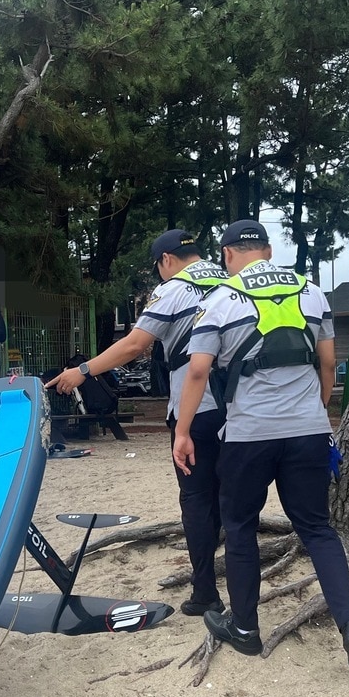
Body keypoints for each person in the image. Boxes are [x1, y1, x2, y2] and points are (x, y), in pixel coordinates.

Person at [173, 220, 349, 668]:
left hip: (248, 436)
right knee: (318, 529)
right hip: (307, 432)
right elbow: (328, 364)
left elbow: (197, 371)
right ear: (267, 250)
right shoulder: (312, 291)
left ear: (228, 255)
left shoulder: (221, 300)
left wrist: (183, 432)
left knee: (241, 526)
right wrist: (315, 413)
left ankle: (245, 628)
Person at [48, 229, 229, 615]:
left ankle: (205, 593)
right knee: (233, 497)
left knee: (197, 499)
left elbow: (135, 344)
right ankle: (244, 594)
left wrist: (83, 369)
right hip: (242, 407)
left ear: (165, 260)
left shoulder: (174, 289)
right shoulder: (231, 280)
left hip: (197, 408)